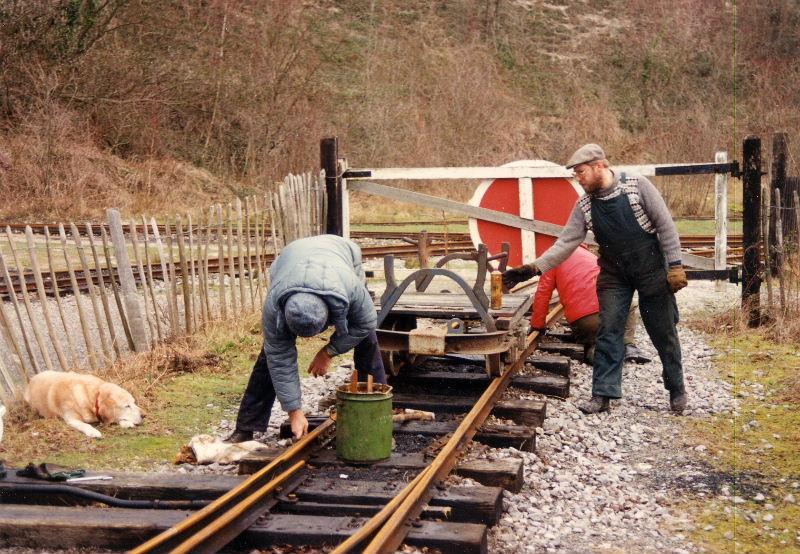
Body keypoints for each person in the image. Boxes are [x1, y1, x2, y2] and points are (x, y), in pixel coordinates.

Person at [503, 143, 688, 414]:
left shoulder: (637, 186)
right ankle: (602, 395)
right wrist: (532, 269)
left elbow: (665, 226)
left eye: (581, 172)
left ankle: (677, 389)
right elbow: (566, 243)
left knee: (663, 331)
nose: (578, 178)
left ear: (600, 165)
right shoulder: (585, 204)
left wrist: (675, 266)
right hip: (614, 274)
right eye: (575, 173)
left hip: (650, 270)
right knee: (609, 331)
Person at [226, 235, 386, 443]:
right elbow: (280, 357)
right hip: (291, 259)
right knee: (270, 356)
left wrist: (329, 351)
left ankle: (376, 411)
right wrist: (294, 411)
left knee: (366, 340)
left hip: (341, 252)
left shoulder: (352, 289)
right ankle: (245, 427)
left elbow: (365, 323)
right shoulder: (275, 305)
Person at [530, 246, 650, 365]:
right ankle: (629, 345)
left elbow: (542, 296)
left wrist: (538, 326)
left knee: (593, 334)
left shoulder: (551, 259)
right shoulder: (590, 256)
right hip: (612, 311)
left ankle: (596, 347)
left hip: (586, 321)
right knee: (630, 305)